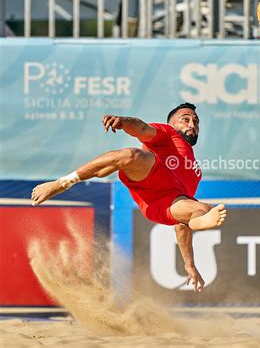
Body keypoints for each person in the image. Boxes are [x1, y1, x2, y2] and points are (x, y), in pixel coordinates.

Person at [31, 102, 226, 292]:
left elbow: (180, 225)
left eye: (196, 121)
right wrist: (123, 122)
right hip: (150, 177)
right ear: (173, 123)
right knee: (132, 155)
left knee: (201, 210)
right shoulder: (168, 132)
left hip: (165, 205)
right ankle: (62, 183)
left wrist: (189, 264)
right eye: (186, 119)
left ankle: (200, 221)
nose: (193, 125)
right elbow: (141, 128)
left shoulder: (195, 172)